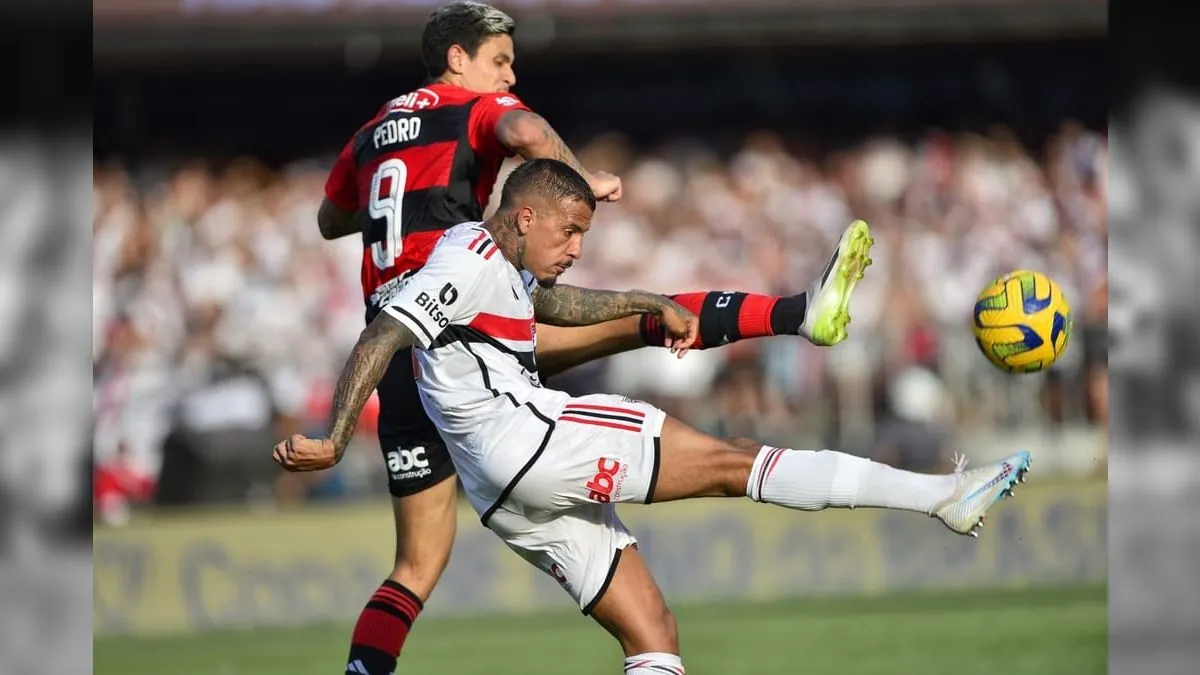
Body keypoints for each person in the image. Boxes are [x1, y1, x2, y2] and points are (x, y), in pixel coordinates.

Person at [277, 159, 1032, 674]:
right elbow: (384, 330)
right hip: (537, 442)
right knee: (740, 462)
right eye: (568, 231)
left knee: (652, 634)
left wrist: (646, 301)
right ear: (525, 213)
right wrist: (337, 437)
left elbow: (552, 305)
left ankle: (939, 495)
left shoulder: (501, 266)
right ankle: (941, 498)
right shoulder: (464, 259)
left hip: (505, 493)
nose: (576, 247)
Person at [312, 2, 877, 673]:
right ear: (457, 60)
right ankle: (796, 315)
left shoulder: (374, 129)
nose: (509, 73)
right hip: (463, 324)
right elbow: (524, 128)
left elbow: (330, 217)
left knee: (413, 567)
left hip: (399, 350)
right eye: (500, 61)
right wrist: (582, 181)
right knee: (633, 319)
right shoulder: (471, 107)